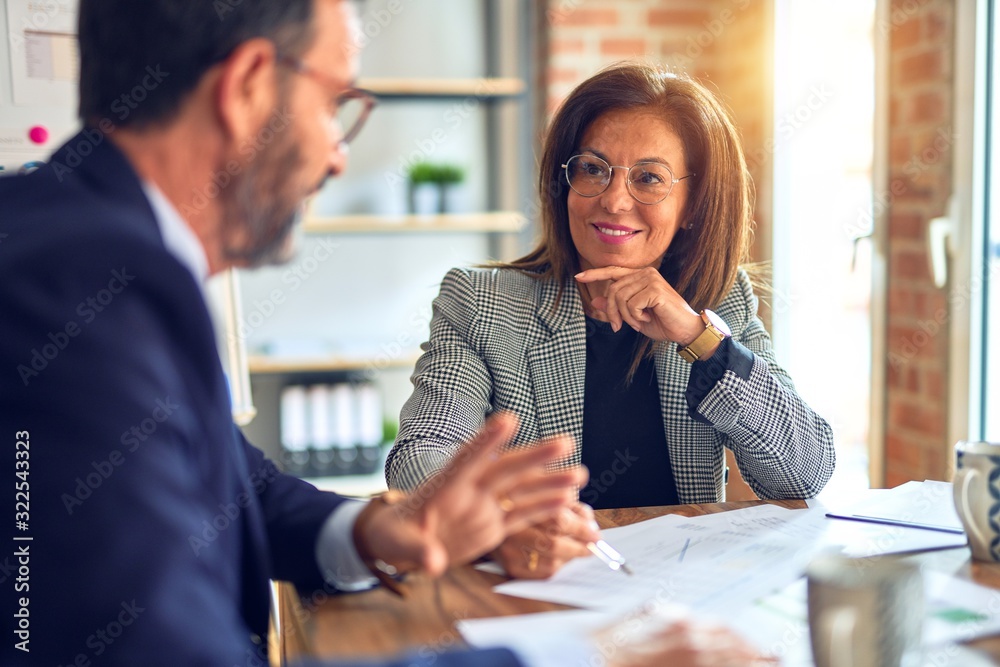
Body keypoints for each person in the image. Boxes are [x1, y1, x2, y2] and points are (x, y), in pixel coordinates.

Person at [0, 2, 773, 666]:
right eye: (335, 102)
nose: (339, 156)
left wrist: (383, 528)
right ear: (244, 89)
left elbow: (236, 489)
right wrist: (593, 656)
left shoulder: (91, 250)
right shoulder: (77, 292)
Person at [386, 62, 836, 579]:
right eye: (594, 169)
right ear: (565, 182)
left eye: (649, 178)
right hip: (537, 589)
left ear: (693, 205)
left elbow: (803, 473)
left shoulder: (719, 300)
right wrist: (505, 520)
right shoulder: (481, 301)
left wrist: (698, 337)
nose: (615, 200)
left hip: (679, 596)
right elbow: (420, 458)